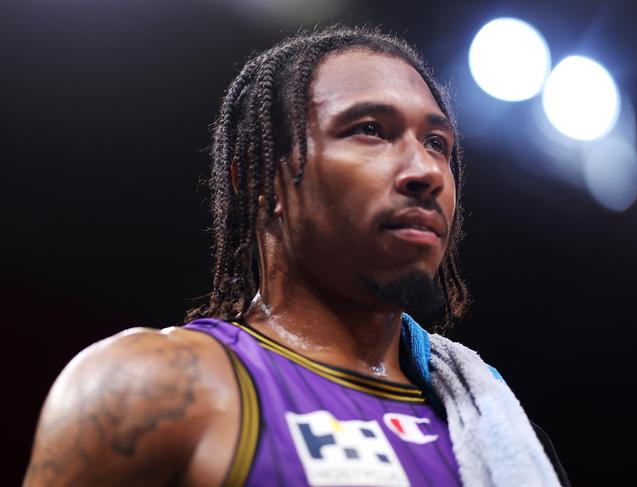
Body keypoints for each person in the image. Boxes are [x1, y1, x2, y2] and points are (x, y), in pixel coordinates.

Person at [24, 25, 569, 486]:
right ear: (261, 181)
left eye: (437, 144)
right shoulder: (150, 388)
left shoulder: (491, 419)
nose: (426, 172)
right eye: (371, 131)